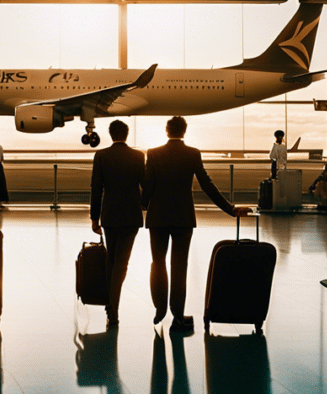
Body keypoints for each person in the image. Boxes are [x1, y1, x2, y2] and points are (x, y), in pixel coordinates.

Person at [141, 116, 250, 332]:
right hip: (183, 218)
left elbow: (148, 187)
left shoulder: (153, 154)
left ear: (166, 130)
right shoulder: (192, 154)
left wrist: (141, 207)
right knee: (179, 267)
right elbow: (207, 184)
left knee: (157, 263)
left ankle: (159, 309)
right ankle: (178, 316)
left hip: (158, 218)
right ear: (184, 131)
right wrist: (229, 209)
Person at [89, 120, 145, 329]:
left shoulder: (101, 156)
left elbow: (96, 188)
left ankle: (111, 305)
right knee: (122, 262)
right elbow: (145, 185)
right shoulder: (138, 156)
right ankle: (113, 307)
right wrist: (144, 204)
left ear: (111, 134)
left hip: (109, 215)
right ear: (127, 134)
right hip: (131, 216)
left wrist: (95, 217)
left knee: (110, 260)